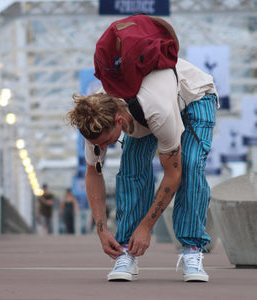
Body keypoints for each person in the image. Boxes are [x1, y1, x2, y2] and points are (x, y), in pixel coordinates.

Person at [67, 22, 218, 282]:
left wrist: (146, 226)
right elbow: (94, 173)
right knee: (131, 172)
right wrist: (102, 231)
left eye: (107, 142)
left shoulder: (157, 111)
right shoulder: (95, 115)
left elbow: (173, 175)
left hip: (192, 96)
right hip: (140, 112)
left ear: (118, 121)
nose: (103, 148)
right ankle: (125, 250)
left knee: (191, 165)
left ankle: (192, 249)